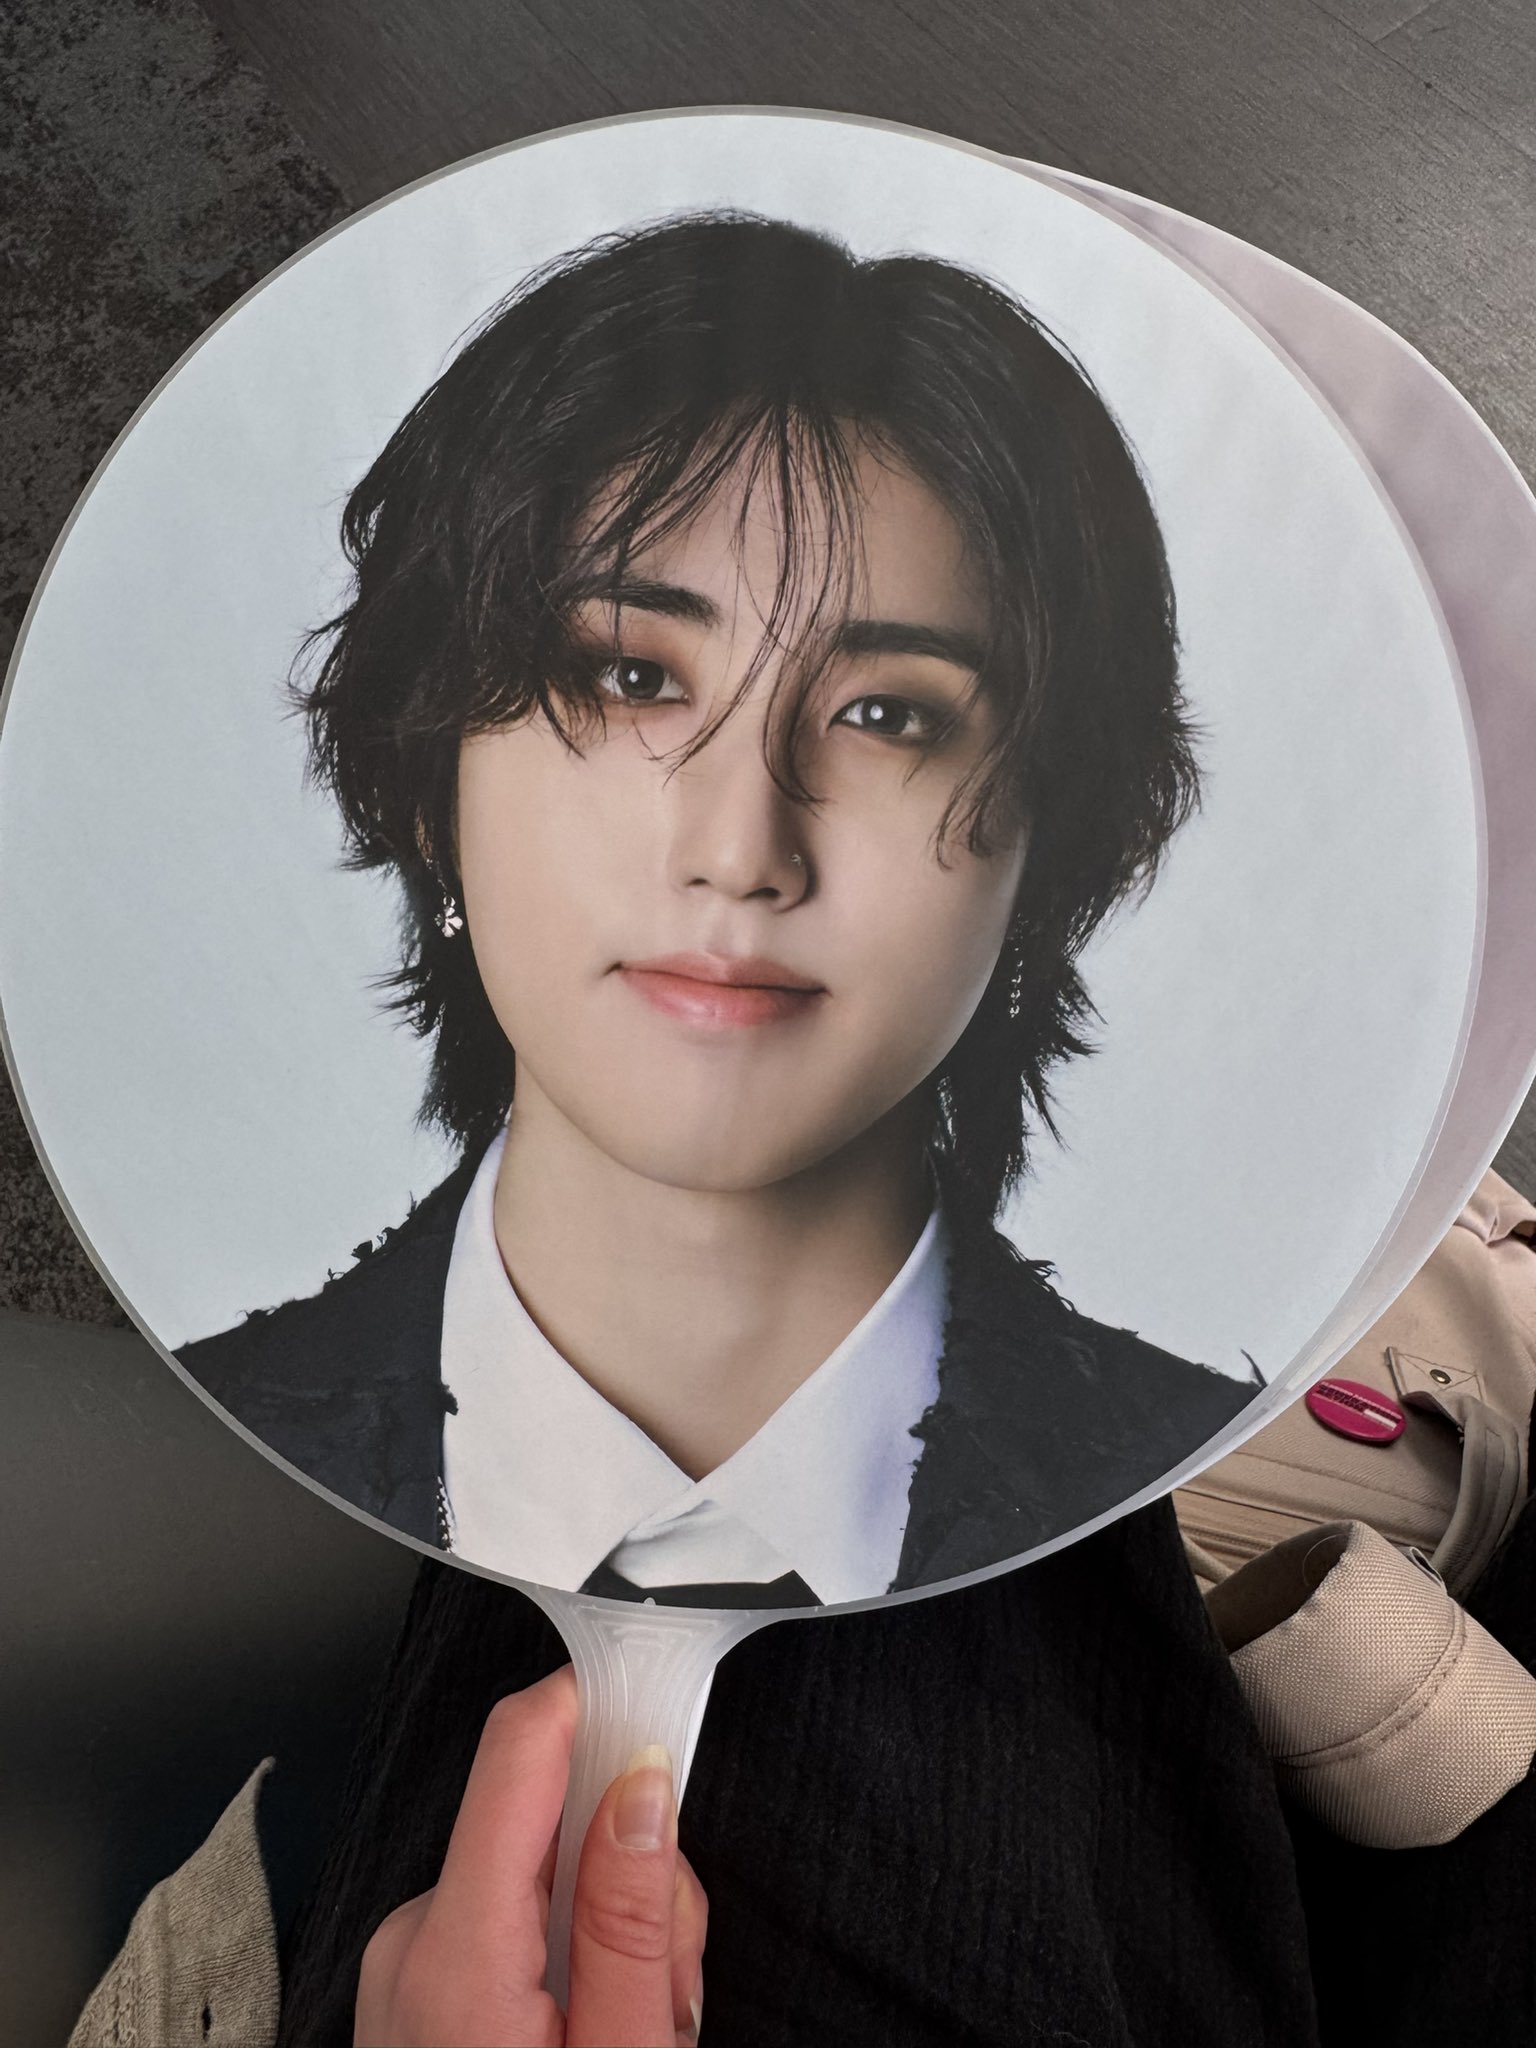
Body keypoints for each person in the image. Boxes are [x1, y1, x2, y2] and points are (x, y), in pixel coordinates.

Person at [176, 209, 1253, 1606]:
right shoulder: (168, 1484)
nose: (742, 852)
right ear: (428, 771)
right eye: (631, 679)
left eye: (888, 715)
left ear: (1056, 840)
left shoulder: (1238, 1525)